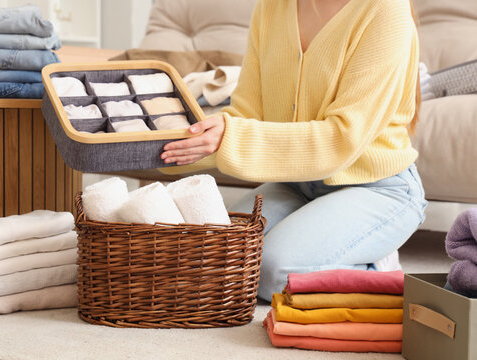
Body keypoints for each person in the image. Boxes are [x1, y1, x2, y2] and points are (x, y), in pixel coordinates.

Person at [160, 0, 428, 301]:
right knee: (215, 257)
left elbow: (342, 139)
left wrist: (229, 138)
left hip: (377, 187)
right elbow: (248, 115)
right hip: (296, 183)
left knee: (274, 272)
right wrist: (165, 143)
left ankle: (378, 267)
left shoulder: (385, 9)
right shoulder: (272, 6)